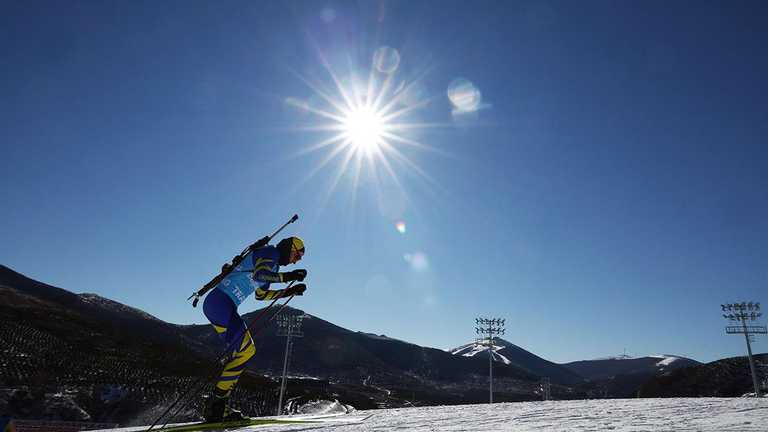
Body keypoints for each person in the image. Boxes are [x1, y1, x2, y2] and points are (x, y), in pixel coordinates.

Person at [202, 236, 307, 422]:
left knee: (244, 353)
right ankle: (216, 406)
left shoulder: (272, 266)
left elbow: (262, 294)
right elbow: (260, 275)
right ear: (289, 248)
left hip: (220, 304)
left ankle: (218, 406)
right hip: (221, 303)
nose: (296, 260)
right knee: (246, 351)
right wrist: (288, 277)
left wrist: (289, 292)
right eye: (297, 254)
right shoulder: (270, 253)